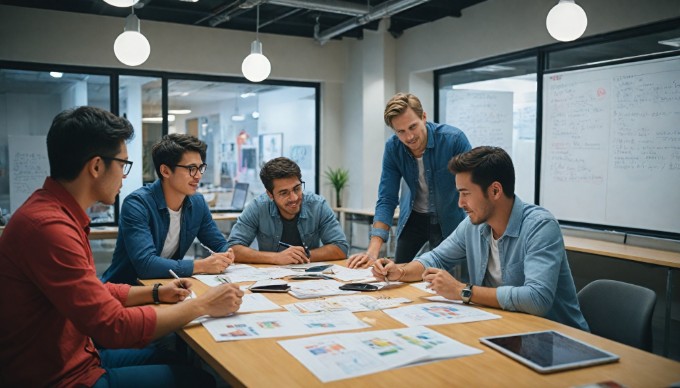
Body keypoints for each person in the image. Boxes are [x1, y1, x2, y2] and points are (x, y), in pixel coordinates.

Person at [0, 107, 244, 387]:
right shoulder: (49, 227)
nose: (125, 176)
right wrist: (203, 305)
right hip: (62, 376)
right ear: (95, 167)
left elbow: (94, 289)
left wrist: (155, 290)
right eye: (123, 165)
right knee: (201, 380)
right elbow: (113, 326)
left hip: (81, 355)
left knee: (183, 362)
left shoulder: (57, 215)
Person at [372, 146, 589, 330]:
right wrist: (400, 271)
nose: (460, 203)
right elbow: (436, 258)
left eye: (465, 193)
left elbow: (537, 299)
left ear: (495, 191)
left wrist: (462, 291)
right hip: (504, 328)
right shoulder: (473, 226)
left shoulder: (540, 227)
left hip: (556, 340)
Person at [347, 92, 471, 268]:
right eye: (401, 131)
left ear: (424, 117)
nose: (409, 137)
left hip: (450, 218)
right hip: (413, 219)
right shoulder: (393, 148)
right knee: (399, 273)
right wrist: (372, 251)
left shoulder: (454, 140)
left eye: (413, 127)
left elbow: (473, 187)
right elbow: (387, 199)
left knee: (446, 278)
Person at [102, 134, 234, 285]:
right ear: (165, 171)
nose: (198, 176)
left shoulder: (197, 203)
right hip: (127, 289)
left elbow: (218, 244)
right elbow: (146, 264)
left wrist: (227, 254)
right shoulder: (137, 204)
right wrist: (201, 265)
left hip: (167, 287)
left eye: (201, 168)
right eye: (191, 168)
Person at [227, 157, 348, 264]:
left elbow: (340, 247)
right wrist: (276, 258)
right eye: (284, 193)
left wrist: (302, 256)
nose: (294, 198)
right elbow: (233, 248)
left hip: (310, 277)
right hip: (270, 278)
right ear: (270, 194)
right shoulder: (258, 207)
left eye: (297, 188)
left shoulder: (318, 205)